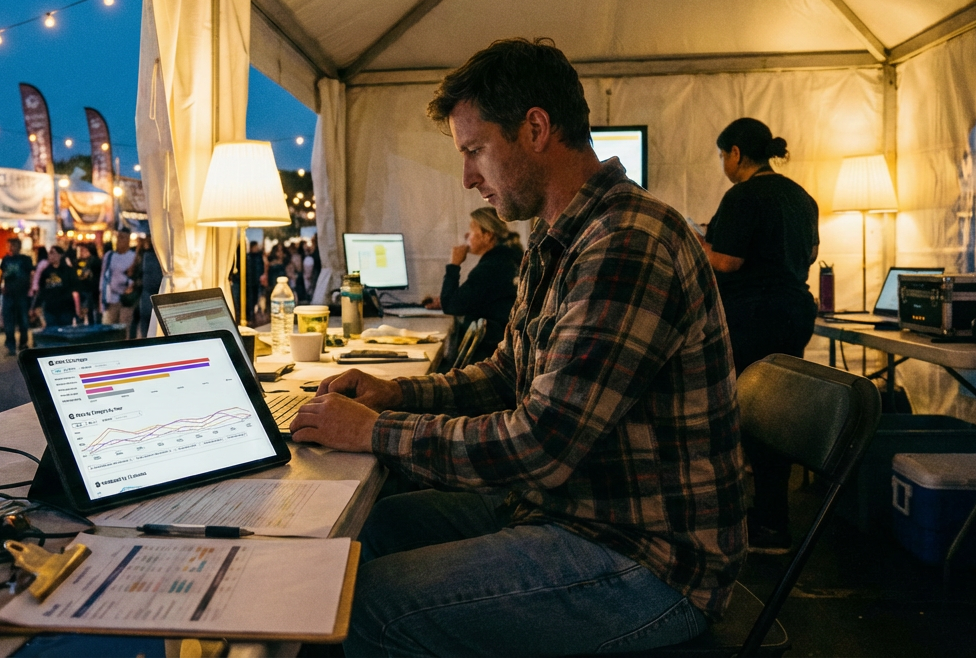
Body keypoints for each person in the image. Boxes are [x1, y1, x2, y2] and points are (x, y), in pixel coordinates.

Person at [288, 38, 745, 656]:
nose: (468, 178)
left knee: (370, 606)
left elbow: (540, 445)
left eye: (475, 150)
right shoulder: (557, 237)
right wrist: (393, 393)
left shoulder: (628, 241)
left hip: (648, 557)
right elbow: (508, 375)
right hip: (567, 510)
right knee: (377, 524)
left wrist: (374, 432)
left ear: (535, 129)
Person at [700, 116, 819, 555]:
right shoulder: (801, 196)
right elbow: (810, 254)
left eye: (722, 155)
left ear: (736, 153)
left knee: (752, 414)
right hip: (794, 313)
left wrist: (696, 242)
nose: (723, 165)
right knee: (778, 411)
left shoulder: (743, 196)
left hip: (753, 316)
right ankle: (771, 516)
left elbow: (727, 262)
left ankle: (767, 525)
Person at [428, 206, 523, 364]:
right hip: (503, 343)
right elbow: (476, 298)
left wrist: (454, 265)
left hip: (488, 352)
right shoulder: (508, 258)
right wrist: (447, 299)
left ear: (488, 235)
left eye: (472, 230)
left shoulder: (491, 267)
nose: (466, 235)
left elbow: (451, 306)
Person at [0, 237, 35, 356]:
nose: (11, 248)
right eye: (9, 245)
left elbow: (31, 275)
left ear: (19, 246)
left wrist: (31, 289)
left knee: (23, 321)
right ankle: (10, 345)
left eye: (13, 245)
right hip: (9, 294)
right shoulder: (5, 259)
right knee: (9, 322)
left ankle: (23, 343)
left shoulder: (25, 259)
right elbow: (1, 274)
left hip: (22, 294)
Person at [33, 246, 80, 327]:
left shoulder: (68, 271)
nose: (50, 256)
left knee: (65, 329)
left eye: (53, 253)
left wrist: (80, 305)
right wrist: (37, 305)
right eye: (49, 253)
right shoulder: (46, 272)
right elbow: (42, 290)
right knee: (52, 330)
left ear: (60, 255)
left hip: (66, 308)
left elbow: (76, 287)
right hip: (50, 308)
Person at [100, 237, 138, 334]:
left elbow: (136, 274)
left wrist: (131, 285)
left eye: (122, 238)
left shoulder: (133, 256)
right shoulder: (110, 256)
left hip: (127, 299)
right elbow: (104, 276)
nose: (119, 242)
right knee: (108, 329)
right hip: (111, 298)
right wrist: (101, 297)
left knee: (124, 329)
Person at [135, 235, 163, 337]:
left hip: (150, 293)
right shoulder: (147, 255)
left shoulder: (146, 256)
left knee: (147, 324)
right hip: (149, 293)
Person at [75, 243, 102, 325]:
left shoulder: (93, 261)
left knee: (89, 310)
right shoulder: (81, 261)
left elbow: (85, 274)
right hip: (87, 289)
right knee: (89, 311)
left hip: (90, 289)